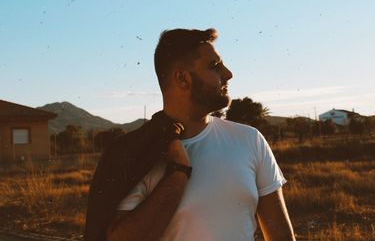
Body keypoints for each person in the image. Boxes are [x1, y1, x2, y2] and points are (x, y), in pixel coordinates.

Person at [89, 28, 295, 241]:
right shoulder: (138, 153)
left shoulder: (250, 140)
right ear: (182, 78)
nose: (228, 74)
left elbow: (281, 235)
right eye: (215, 66)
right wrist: (177, 174)